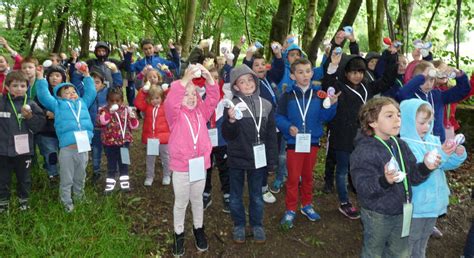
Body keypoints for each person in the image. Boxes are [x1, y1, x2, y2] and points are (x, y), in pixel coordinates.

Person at [350, 97, 440, 258]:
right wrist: (385, 180)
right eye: (389, 116)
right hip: (378, 214)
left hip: (402, 211)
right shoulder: (364, 151)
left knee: (399, 252)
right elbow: (362, 187)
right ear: (372, 122)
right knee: (374, 252)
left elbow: (413, 176)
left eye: (398, 115)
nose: (397, 119)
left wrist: (426, 166)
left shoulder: (400, 145)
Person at [322, 45, 399, 220]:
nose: (357, 75)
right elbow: (328, 85)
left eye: (361, 72)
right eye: (353, 72)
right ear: (346, 72)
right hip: (342, 136)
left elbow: (387, 80)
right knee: (342, 169)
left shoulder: (367, 87)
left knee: (362, 168)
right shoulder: (339, 86)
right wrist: (332, 65)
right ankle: (344, 202)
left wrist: (392, 58)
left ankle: (366, 196)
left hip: (363, 137)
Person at [399, 99, 466, 257]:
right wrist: (443, 153)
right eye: (422, 123)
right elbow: (424, 166)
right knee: (410, 240)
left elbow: (443, 164)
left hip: (433, 203)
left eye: (430, 122)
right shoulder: (404, 144)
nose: (427, 127)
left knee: (423, 239)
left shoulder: (433, 140)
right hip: (417, 205)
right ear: (408, 120)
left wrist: (457, 155)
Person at [276, 58, 338, 228]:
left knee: (308, 176)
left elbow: (325, 118)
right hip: (293, 143)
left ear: (312, 72)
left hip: (312, 142)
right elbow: (278, 117)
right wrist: (288, 127)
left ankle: (307, 205)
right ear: (293, 75)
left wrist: (331, 105)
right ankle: (290, 209)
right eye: (300, 72)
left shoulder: (319, 94)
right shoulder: (287, 95)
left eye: (308, 71)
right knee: (294, 178)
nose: (305, 75)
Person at [164, 64, 219, 256]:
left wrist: (210, 80)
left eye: (194, 95)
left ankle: (198, 229)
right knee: (181, 201)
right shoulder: (175, 115)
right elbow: (172, 100)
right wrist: (186, 79)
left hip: (199, 165)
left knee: (197, 199)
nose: (190, 98)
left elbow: (213, 99)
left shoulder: (201, 112)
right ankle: (178, 234)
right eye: (186, 95)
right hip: (181, 167)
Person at [222, 65, 278, 244]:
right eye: (242, 82)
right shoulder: (233, 106)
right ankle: (239, 224)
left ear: (256, 81)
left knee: (256, 195)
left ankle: (257, 224)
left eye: (250, 80)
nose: (247, 84)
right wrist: (230, 120)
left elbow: (271, 137)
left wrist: (271, 162)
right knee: (236, 195)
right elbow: (227, 135)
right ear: (236, 87)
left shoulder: (267, 105)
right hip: (237, 159)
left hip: (258, 160)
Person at [36, 63, 96, 213]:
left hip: (83, 148)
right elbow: (44, 96)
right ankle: (66, 202)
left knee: (80, 176)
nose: (71, 94)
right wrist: (40, 78)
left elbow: (91, 92)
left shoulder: (83, 102)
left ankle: (80, 197)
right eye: (66, 92)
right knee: (67, 178)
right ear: (59, 96)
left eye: (73, 91)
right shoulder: (57, 105)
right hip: (67, 149)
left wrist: (87, 76)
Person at [243, 42, 285, 202]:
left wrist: (278, 55)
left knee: (270, 156)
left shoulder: (269, 79)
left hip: (275, 126)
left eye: (262, 64)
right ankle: (261, 188)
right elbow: (244, 70)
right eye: (256, 65)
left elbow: (279, 69)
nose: (260, 67)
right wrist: (247, 57)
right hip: (260, 127)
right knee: (260, 157)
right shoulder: (251, 84)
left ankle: (262, 184)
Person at [0, 71, 46, 213]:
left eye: (22, 85)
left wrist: (30, 117)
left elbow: (39, 126)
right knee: (3, 178)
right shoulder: (1, 103)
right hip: (2, 150)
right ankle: (3, 202)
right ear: (7, 87)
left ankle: (23, 201)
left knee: (24, 178)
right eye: (15, 85)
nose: (19, 88)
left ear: (27, 87)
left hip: (24, 151)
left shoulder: (31, 104)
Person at [397, 61, 471, 143]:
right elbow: (401, 94)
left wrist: (457, 73)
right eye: (424, 80)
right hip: (416, 144)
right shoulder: (410, 97)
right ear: (416, 79)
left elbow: (463, 90)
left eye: (431, 79)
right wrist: (423, 76)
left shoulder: (438, 95)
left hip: (438, 143)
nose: (428, 84)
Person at [98, 88, 139, 194]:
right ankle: (110, 185)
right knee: (111, 164)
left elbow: (133, 126)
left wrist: (133, 117)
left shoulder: (126, 110)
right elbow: (101, 122)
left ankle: (125, 184)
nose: (115, 103)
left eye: (118, 101)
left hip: (124, 142)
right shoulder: (103, 110)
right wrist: (109, 113)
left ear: (122, 100)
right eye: (112, 101)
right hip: (109, 143)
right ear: (108, 100)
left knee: (124, 163)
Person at [202, 67, 231, 213]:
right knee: (205, 168)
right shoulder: (201, 100)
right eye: (209, 78)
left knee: (224, 168)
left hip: (222, 141)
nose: (213, 80)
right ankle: (206, 193)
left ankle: (227, 194)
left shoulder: (226, 100)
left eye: (216, 78)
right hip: (206, 142)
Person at [134, 79, 171, 186]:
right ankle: (149, 176)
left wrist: (166, 90)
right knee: (150, 158)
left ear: (162, 97)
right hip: (151, 138)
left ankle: (167, 175)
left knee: (166, 157)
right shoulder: (147, 107)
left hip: (163, 138)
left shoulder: (166, 106)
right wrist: (143, 91)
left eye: (157, 98)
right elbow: (138, 103)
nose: (155, 100)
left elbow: (173, 97)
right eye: (152, 99)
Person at [35, 65, 67, 184]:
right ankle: (53, 175)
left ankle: (65, 174)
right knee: (50, 154)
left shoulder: (66, 92)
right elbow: (35, 107)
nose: (54, 78)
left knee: (64, 155)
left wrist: (58, 113)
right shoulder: (42, 91)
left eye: (57, 76)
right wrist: (45, 112)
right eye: (51, 76)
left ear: (63, 79)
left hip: (63, 131)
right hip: (46, 131)